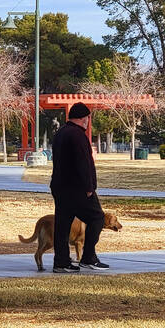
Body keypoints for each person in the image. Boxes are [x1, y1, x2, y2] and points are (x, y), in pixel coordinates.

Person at [49, 102, 109, 272]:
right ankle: (88, 257)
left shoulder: (61, 133)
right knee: (97, 218)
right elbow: (82, 163)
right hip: (78, 188)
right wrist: (89, 186)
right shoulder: (78, 135)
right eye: (88, 118)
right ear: (84, 118)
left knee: (62, 224)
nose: (88, 121)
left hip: (60, 187)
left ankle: (61, 262)